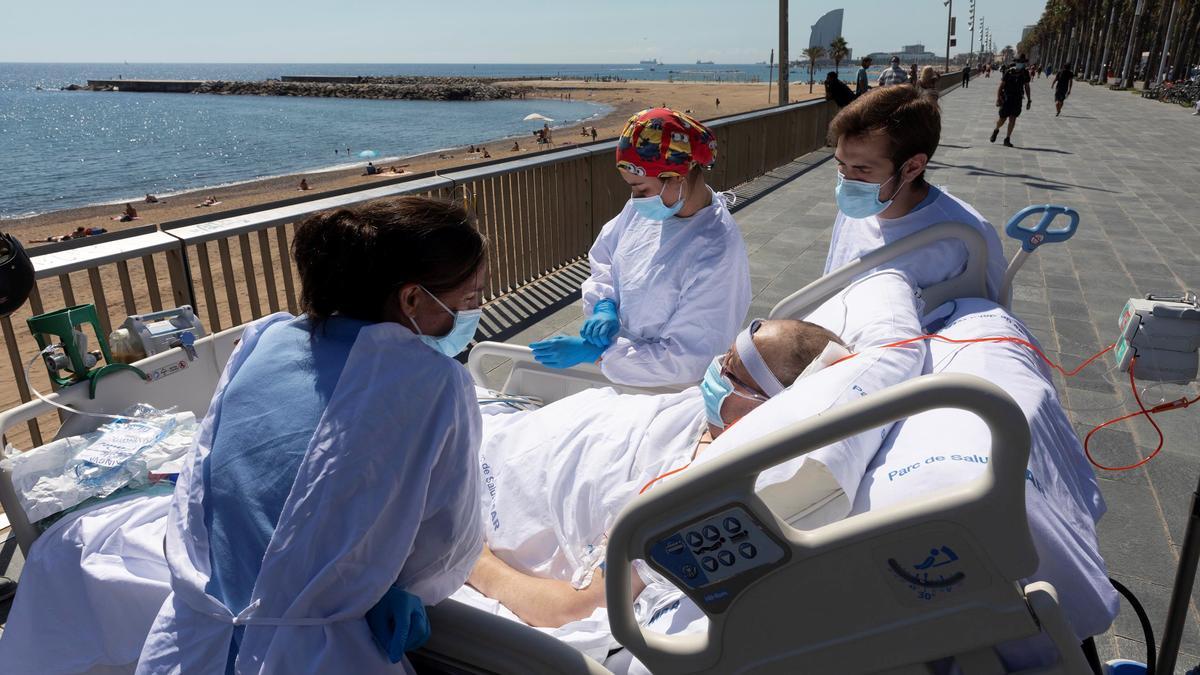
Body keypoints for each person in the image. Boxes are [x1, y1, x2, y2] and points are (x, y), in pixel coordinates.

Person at [136, 197, 488, 673]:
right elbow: (446, 538)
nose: (472, 313)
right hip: (312, 654)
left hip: (186, 643)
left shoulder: (262, 340)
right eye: (468, 300)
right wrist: (407, 588)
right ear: (412, 299)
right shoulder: (435, 380)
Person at [470, 318, 850, 629]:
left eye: (731, 371)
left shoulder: (697, 501)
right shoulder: (703, 412)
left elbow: (571, 609)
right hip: (507, 436)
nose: (715, 369)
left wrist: (473, 561)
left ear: (764, 408)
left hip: (485, 487)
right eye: (726, 356)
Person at [529, 108, 750, 387]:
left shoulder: (716, 250)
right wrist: (605, 303)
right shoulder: (650, 208)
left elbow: (686, 359)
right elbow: (606, 255)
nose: (635, 199)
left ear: (678, 175)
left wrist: (601, 354)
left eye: (642, 189)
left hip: (669, 389)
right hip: (622, 371)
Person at [824, 85, 1008, 301]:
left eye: (862, 169)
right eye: (841, 165)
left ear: (912, 167)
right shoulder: (851, 213)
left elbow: (990, 323)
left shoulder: (966, 237)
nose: (846, 180)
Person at [990, 53, 1032, 147]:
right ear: (1016, 62)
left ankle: (1007, 138)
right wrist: (998, 98)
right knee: (1002, 119)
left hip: (1017, 99)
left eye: (1022, 62)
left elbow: (1027, 86)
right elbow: (1001, 86)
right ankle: (996, 130)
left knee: (1013, 118)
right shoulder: (1009, 72)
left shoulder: (1025, 73)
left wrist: (1029, 99)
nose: (1020, 64)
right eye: (1019, 62)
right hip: (1007, 98)